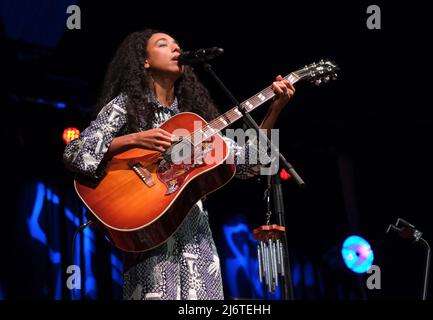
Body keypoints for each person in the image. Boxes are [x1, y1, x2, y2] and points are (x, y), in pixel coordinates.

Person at [63, 28, 295, 300]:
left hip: (197, 239)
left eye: (177, 45)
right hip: (148, 236)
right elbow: (76, 152)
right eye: (164, 44)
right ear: (144, 61)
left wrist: (274, 109)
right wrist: (136, 138)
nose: (176, 49)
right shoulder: (126, 105)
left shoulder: (193, 123)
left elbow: (249, 164)